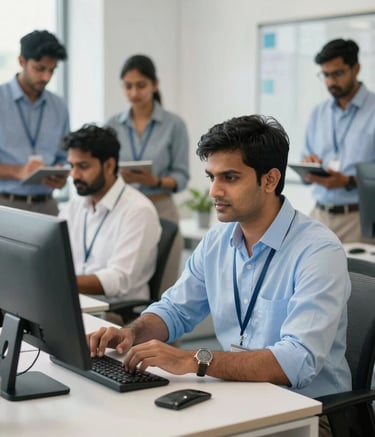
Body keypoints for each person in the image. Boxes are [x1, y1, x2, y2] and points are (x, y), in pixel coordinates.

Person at [88, 115, 351, 437]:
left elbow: (296, 360)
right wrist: (132, 333)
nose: (214, 190)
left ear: (269, 180)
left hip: (308, 413)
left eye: (229, 177)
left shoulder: (318, 251)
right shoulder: (217, 240)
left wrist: (195, 360)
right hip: (236, 394)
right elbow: (175, 309)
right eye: (211, 176)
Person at [106, 54, 190, 291]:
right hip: (124, 210)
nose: (134, 93)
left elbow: (182, 176)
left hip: (162, 208)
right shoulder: (112, 125)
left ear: (155, 84)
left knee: (164, 288)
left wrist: (155, 180)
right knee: (123, 284)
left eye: (141, 85)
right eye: (128, 86)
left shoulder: (174, 125)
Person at [59, 124, 161, 301]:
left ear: (109, 165)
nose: (74, 175)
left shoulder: (138, 211)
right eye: (71, 166)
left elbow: (119, 279)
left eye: (83, 166)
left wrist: (61, 282)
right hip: (76, 302)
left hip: (115, 313)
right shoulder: (74, 207)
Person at [302, 38, 375, 243]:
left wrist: (348, 181)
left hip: (359, 220)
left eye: (338, 73)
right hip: (319, 217)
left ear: (356, 68)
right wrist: (308, 165)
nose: (331, 82)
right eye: (326, 75)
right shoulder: (318, 113)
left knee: (358, 276)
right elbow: (305, 156)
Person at [0, 30, 70, 215]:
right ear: (22, 61)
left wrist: (60, 175)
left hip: (47, 205)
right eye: (40, 69)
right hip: (5, 204)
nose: (46, 77)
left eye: (52, 70)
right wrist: (19, 171)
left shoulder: (59, 106)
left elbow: (64, 158)